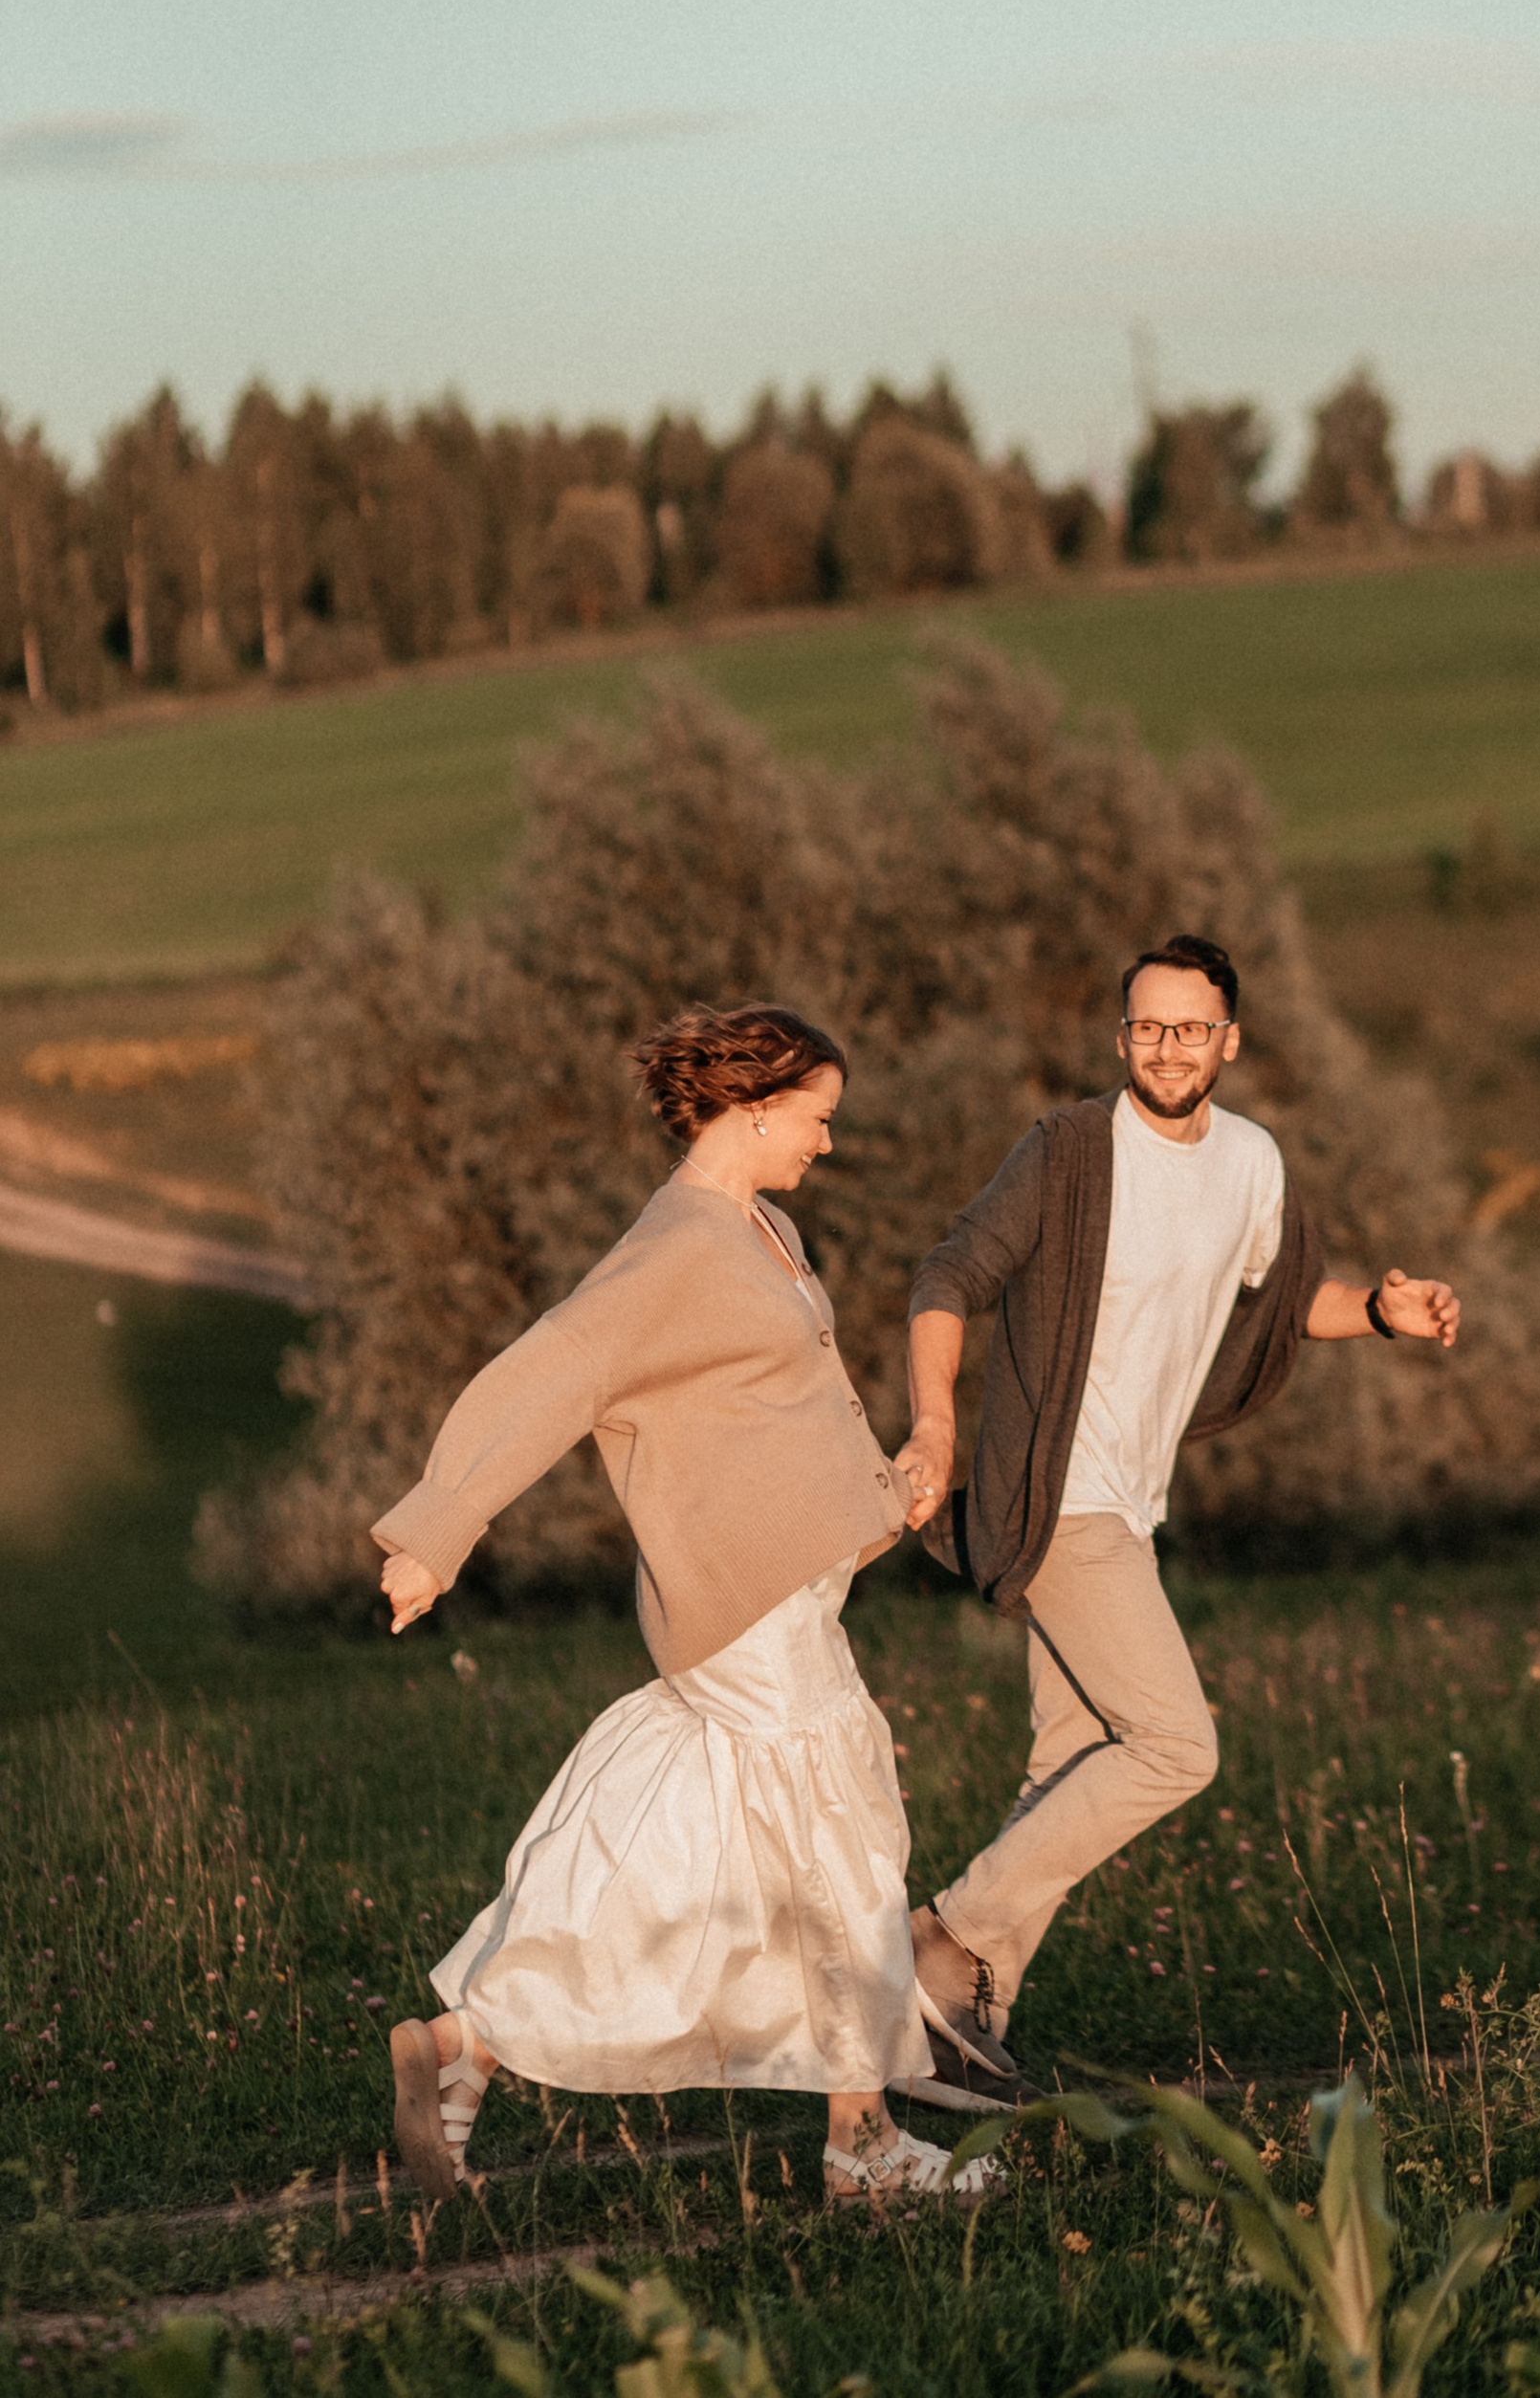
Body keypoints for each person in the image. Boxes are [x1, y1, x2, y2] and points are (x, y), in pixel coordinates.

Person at [371, 1001, 991, 2207]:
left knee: (669, 1832)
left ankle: (467, 2045)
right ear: (752, 1110)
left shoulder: (759, 1226)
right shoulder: (672, 1252)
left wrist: (884, 1486)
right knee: (847, 1840)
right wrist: (437, 1531)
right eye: (815, 1120)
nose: (825, 1142)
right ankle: (861, 2146)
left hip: (778, 1598)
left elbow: (767, 1413)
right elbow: (548, 1374)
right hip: (746, 1610)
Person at [891, 932, 1461, 2109]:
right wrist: (936, 1435)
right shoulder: (1068, 1152)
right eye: (1147, 1027)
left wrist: (1381, 1312)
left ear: (1228, 1041)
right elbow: (949, 1278)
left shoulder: (1251, 1163)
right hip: (1055, 1500)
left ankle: (947, 2034)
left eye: (1190, 1028)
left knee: (1069, 1766)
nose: (1167, 1047)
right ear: (1121, 1038)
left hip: (1128, 1502)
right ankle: (936, 1945)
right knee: (1174, 1747)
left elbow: (1276, 1298)